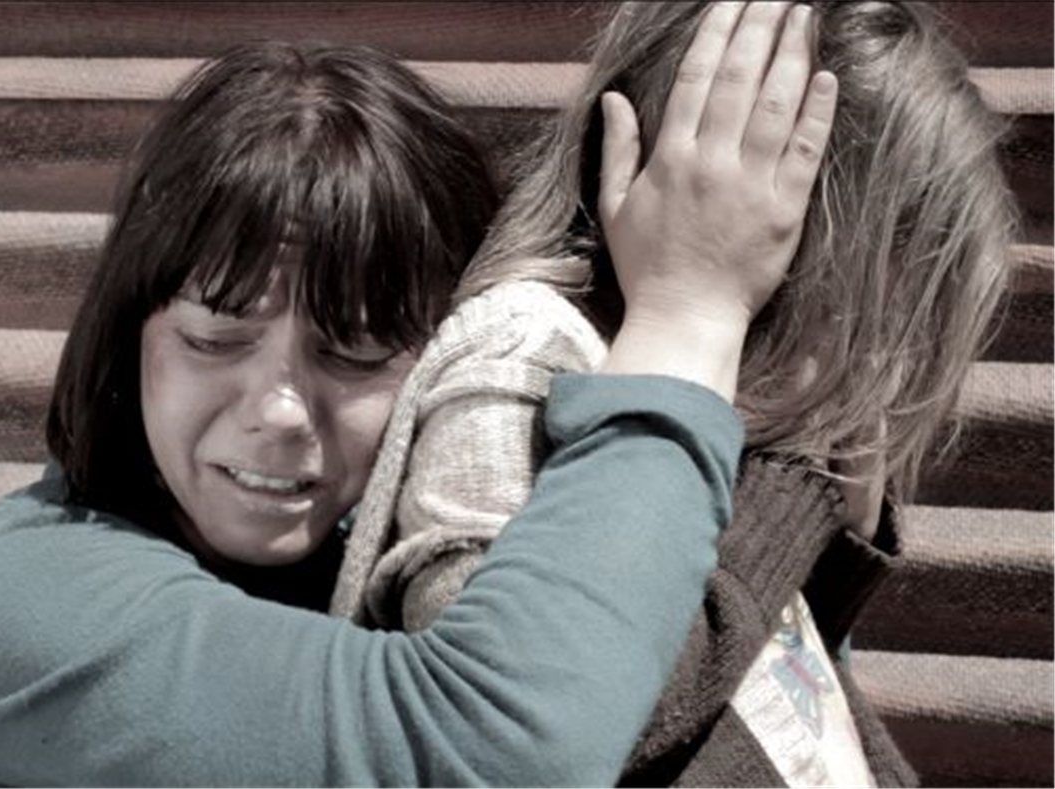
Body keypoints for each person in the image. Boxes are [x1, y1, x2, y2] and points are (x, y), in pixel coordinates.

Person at [0, 11, 837, 785]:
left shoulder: (380, 539)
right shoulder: (11, 602)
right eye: (214, 339)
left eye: (357, 352)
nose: (279, 410)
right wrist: (687, 315)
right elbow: (484, 756)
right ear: (128, 337)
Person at [332, 1, 1014, 786]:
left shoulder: (727, 386)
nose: (884, 353)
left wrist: (828, 556)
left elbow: (752, 701)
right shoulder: (524, 353)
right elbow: (531, 731)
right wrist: (793, 486)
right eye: (884, 301)